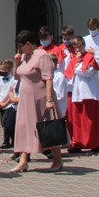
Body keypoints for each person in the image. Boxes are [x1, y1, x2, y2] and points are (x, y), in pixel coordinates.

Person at [10, 30, 64, 173]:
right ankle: (23, 161)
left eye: (21, 46)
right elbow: (16, 77)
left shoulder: (42, 56)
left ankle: (57, 160)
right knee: (23, 127)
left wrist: (49, 100)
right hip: (25, 99)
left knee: (49, 127)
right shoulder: (24, 57)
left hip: (40, 98)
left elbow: (48, 79)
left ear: (28, 44)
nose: (20, 49)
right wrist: (17, 62)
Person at [64, 37, 99, 154]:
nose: (77, 50)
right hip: (76, 93)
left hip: (88, 93)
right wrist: (76, 64)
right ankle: (78, 144)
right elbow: (68, 75)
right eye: (75, 47)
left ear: (83, 46)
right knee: (77, 121)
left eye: (79, 47)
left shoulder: (89, 57)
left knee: (90, 120)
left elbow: (87, 73)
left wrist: (77, 65)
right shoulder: (74, 60)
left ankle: (94, 143)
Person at [0, 58, 18, 150]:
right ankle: (13, 139)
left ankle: (6, 141)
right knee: (3, 123)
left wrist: (5, 103)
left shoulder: (13, 79)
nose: (1, 71)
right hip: (1, 104)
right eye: (0, 69)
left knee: (7, 123)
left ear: (9, 69)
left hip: (9, 104)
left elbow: (11, 92)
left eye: (3, 69)